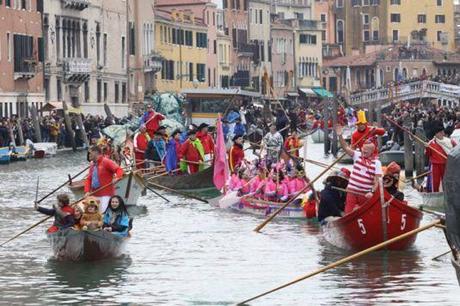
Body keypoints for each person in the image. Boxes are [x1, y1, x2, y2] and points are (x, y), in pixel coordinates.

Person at [337, 125, 383, 213]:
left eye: (367, 150)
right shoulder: (357, 155)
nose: (364, 151)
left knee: (366, 212)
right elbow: (345, 147)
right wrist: (340, 135)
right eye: (363, 149)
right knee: (349, 211)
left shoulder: (377, 163)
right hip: (352, 190)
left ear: (372, 151)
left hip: (365, 193)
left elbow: (377, 180)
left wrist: (372, 192)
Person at [84, 145, 124, 212]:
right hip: (94, 194)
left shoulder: (106, 161)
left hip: (106, 195)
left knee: (104, 213)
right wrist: (87, 191)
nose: (89, 155)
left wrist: (117, 177)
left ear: (96, 153)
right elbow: (89, 179)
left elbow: (119, 170)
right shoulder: (92, 164)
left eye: (90, 153)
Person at [426, 120, 457, 192]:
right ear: (436, 133)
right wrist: (427, 148)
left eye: (442, 131)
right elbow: (428, 155)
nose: (442, 133)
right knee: (435, 183)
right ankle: (435, 196)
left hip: (447, 165)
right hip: (436, 165)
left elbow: (456, 151)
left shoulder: (450, 141)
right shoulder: (431, 143)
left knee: (448, 182)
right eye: (439, 132)